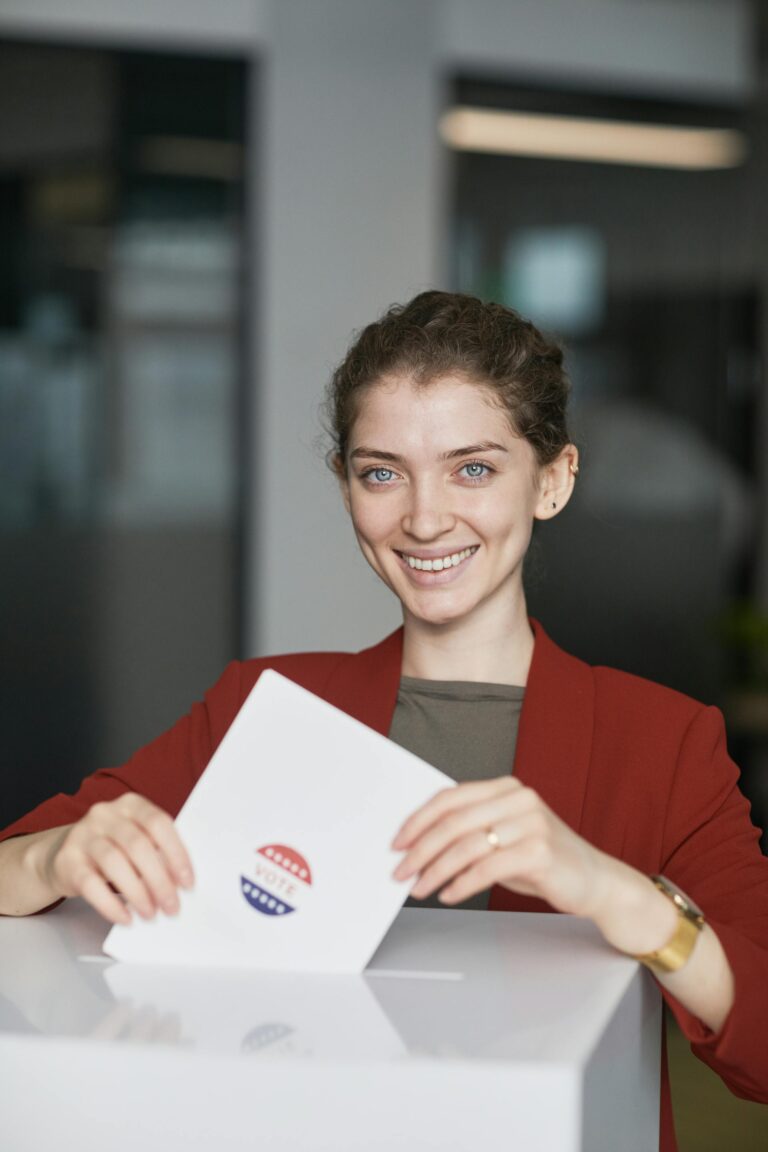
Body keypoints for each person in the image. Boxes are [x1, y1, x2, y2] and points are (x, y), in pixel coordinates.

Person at [0, 291, 766, 1150]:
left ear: (552, 481)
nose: (424, 517)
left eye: (473, 468)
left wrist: (616, 894)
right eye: (381, 472)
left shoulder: (663, 741)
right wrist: (54, 854)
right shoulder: (264, 708)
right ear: (347, 487)